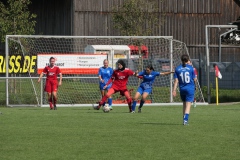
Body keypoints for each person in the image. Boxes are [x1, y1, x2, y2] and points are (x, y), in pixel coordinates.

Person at [172, 54, 197, 125]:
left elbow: (176, 81)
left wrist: (174, 90)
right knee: (188, 104)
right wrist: (195, 86)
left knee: (184, 104)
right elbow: (194, 79)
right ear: (187, 60)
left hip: (182, 89)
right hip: (190, 88)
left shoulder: (177, 68)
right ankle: (185, 120)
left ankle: (183, 118)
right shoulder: (191, 68)